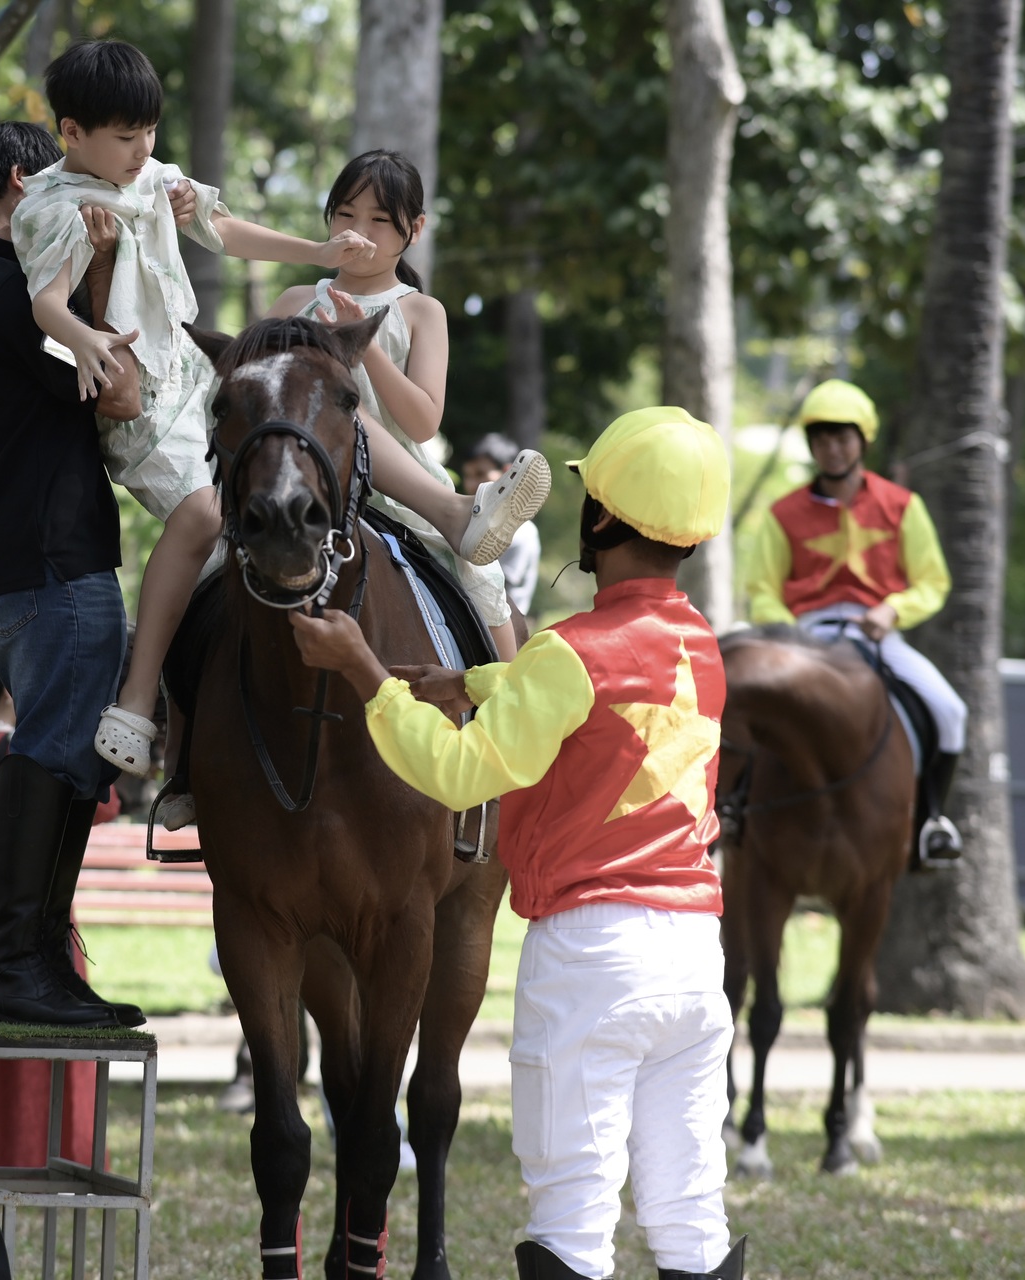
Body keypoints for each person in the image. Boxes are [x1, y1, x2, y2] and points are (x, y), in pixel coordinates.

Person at [4, 39, 550, 783]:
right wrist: (86, 338)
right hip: (157, 404)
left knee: (336, 438)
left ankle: (473, 574)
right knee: (209, 519)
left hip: (220, 391)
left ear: (413, 230)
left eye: (150, 132)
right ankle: (148, 709)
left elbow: (225, 234)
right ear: (72, 133)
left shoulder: (155, 180)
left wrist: (323, 268)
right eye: (128, 137)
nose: (144, 150)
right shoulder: (57, 208)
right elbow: (47, 302)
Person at [287, 406, 746, 1280]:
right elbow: (609, 695)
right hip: (694, 958)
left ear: (599, 521)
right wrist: (474, 679)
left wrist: (366, 673)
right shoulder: (702, 645)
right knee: (691, 1213)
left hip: (591, 959)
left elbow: (460, 774)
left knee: (572, 1218)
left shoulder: (568, 652)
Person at [0, 119, 144, 1029]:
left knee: (69, 760)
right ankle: (15, 965)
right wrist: (101, 270)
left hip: (52, 554)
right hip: (49, 557)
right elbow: (117, 388)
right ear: (29, 183)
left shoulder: (3, 287)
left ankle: (40, 963)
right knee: (50, 752)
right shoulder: (4, 289)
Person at [269, 151, 530, 661]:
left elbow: (423, 421)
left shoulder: (420, 311)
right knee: (207, 564)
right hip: (290, 479)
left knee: (482, 579)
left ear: (415, 229)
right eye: (346, 214)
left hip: (399, 490)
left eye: (380, 220)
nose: (359, 231)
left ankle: (504, 692)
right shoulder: (294, 302)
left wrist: (363, 344)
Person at [743, 378, 964, 865]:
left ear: (862, 441)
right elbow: (761, 590)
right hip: (808, 635)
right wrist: (790, 633)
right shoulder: (783, 514)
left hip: (877, 633)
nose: (832, 449)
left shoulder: (902, 506)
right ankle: (734, 816)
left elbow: (933, 581)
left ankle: (931, 822)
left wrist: (892, 610)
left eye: (842, 438)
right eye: (821, 439)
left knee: (950, 710)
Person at [0, 642, 109, 1164]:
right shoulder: (23, 752)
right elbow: (103, 805)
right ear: (12, 688)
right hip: (31, 907)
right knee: (44, 1045)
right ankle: (50, 1158)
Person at [463, 431, 544, 617]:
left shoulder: (522, 532)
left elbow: (495, 591)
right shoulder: (475, 521)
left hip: (502, 621)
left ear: (509, 473)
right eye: (468, 475)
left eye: (480, 474)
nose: (472, 484)